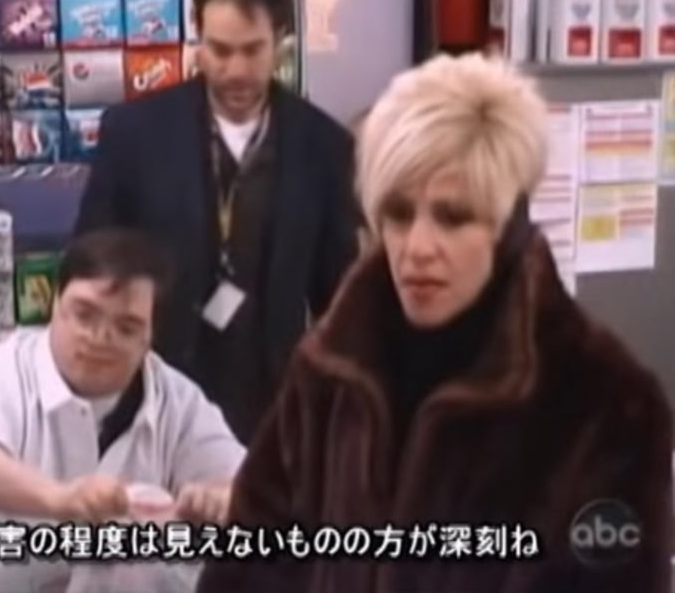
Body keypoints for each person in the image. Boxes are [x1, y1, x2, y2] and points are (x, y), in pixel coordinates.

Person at [197, 53, 673, 593]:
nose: (418, 248)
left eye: (452, 217)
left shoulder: (605, 402)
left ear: (507, 227)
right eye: (399, 215)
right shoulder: (330, 370)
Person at [73, 0, 357, 443]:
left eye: (253, 50)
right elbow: (89, 264)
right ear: (197, 40)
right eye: (220, 50)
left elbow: (340, 295)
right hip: (150, 398)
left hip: (274, 409)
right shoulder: (133, 134)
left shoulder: (325, 146)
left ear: (281, 41)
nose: (236, 70)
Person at [0, 229, 245, 589]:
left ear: (150, 337)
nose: (99, 338)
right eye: (84, 315)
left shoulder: (177, 401)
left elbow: (244, 478)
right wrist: (59, 498)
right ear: (55, 304)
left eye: (125, 328)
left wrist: (220, 498)